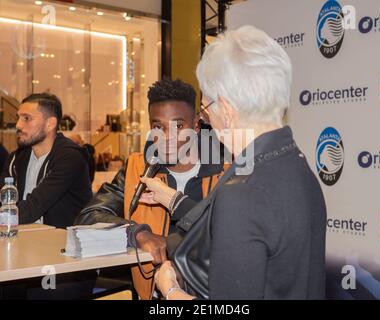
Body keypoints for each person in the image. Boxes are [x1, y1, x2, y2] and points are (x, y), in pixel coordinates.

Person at [152, 25, 327, 300]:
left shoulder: (243, 193)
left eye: (206, 110)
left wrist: (170, 290)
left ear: (228, 111)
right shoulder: (297, 167)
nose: (207, 119)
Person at [74, 78, 228, 300]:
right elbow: (88, 216)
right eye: (158, 127)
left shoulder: (224, 171)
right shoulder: (138, 168)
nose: (167, 137)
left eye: (178, 126)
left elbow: (227, 234)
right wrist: (138, 233)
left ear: (195, 125)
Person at [0, 93, 95, 299]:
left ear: (51, 123)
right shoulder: (18, 157)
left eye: (27, 118)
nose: (18, 124)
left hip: (66, 261)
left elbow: (32, 208)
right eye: (18, 117)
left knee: (39, 294)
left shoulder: (70, 157)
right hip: (22, 254)